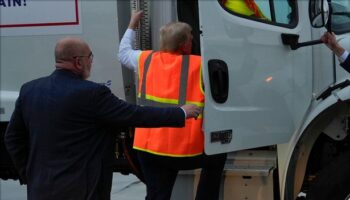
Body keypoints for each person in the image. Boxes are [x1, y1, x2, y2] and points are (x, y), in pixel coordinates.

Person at [4, 36, 202, 200]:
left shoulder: (30, 90)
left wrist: (29, 174)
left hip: (40, 191)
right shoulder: (91, 93)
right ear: (78, 61)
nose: (91, 61)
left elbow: (12, 139)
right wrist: (181, 112)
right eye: (90, 57)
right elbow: (134, 114)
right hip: (83, 192)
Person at [118, 11, 227, 200]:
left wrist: (132, 25)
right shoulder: (201, 65)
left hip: (148, 148)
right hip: (186, 150)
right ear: (184, 44)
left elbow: (123, 52)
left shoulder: (145, 59)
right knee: (217, 156)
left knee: (157, 195)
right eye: (191, 38)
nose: (193, 41)